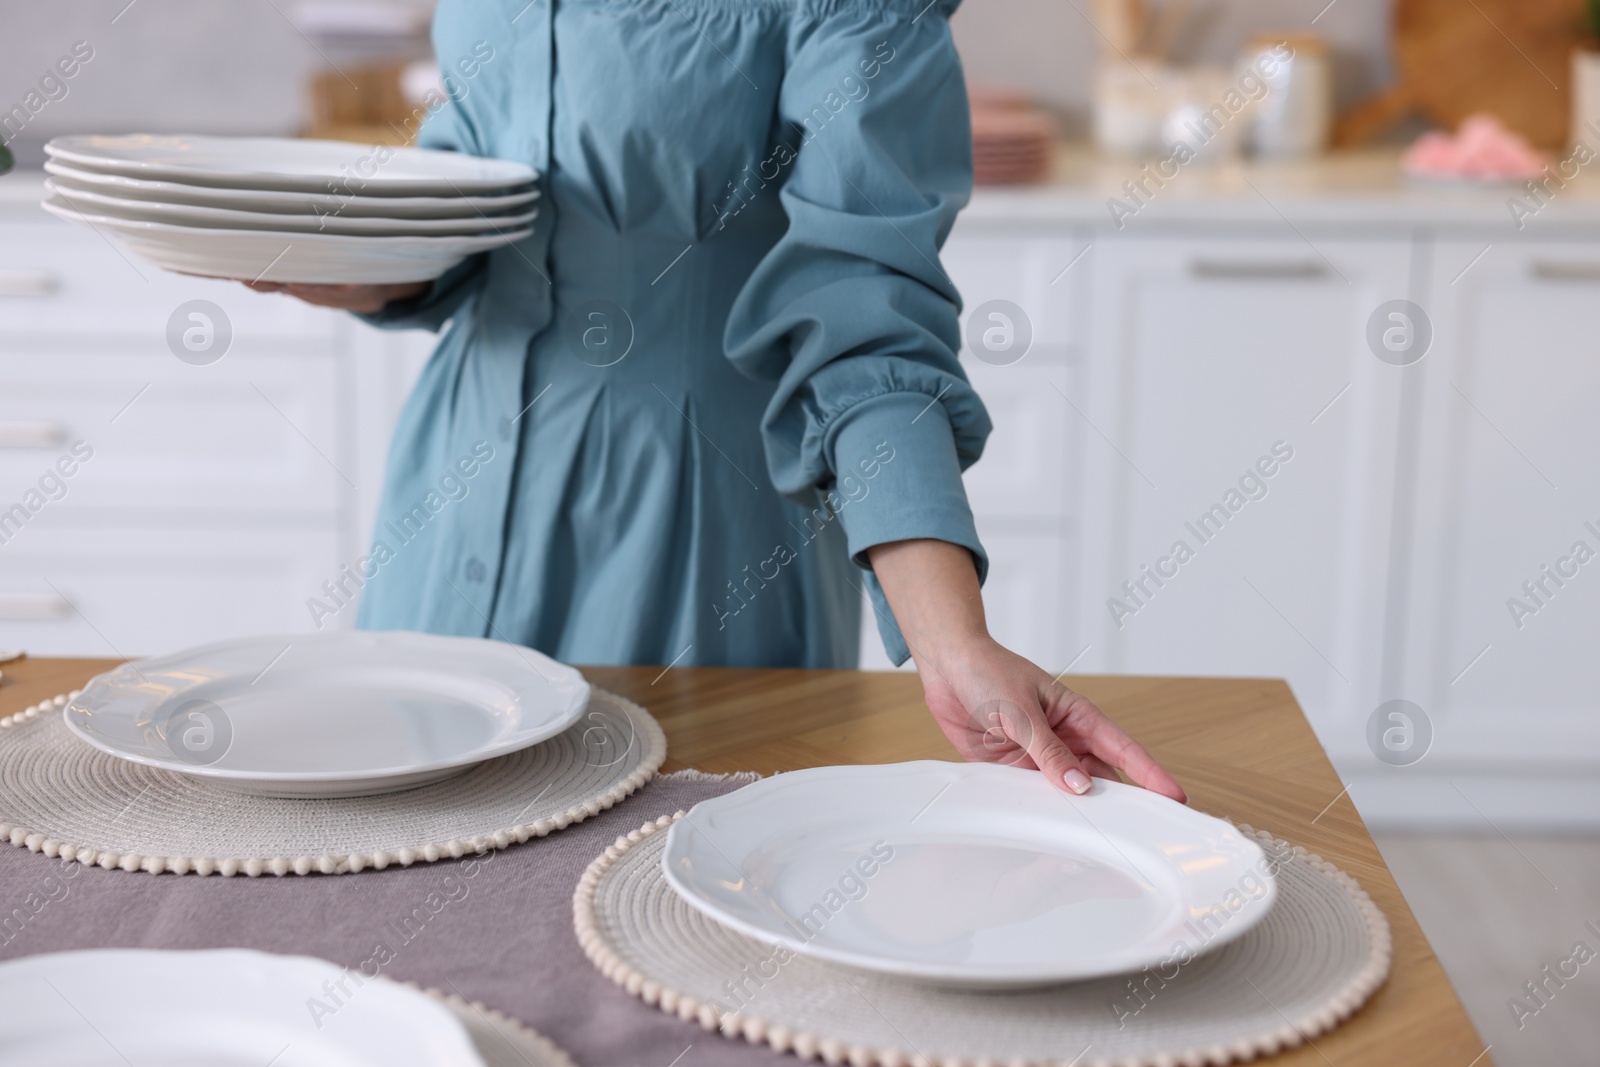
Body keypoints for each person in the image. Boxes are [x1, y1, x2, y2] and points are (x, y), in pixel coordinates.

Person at [248, 0, 1185, 803]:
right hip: (449, 498)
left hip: (696, 531)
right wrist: (351, 264)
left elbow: (863, 314)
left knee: (664, 924)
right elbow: (478, 195)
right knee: (411, 894)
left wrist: (952, 641)